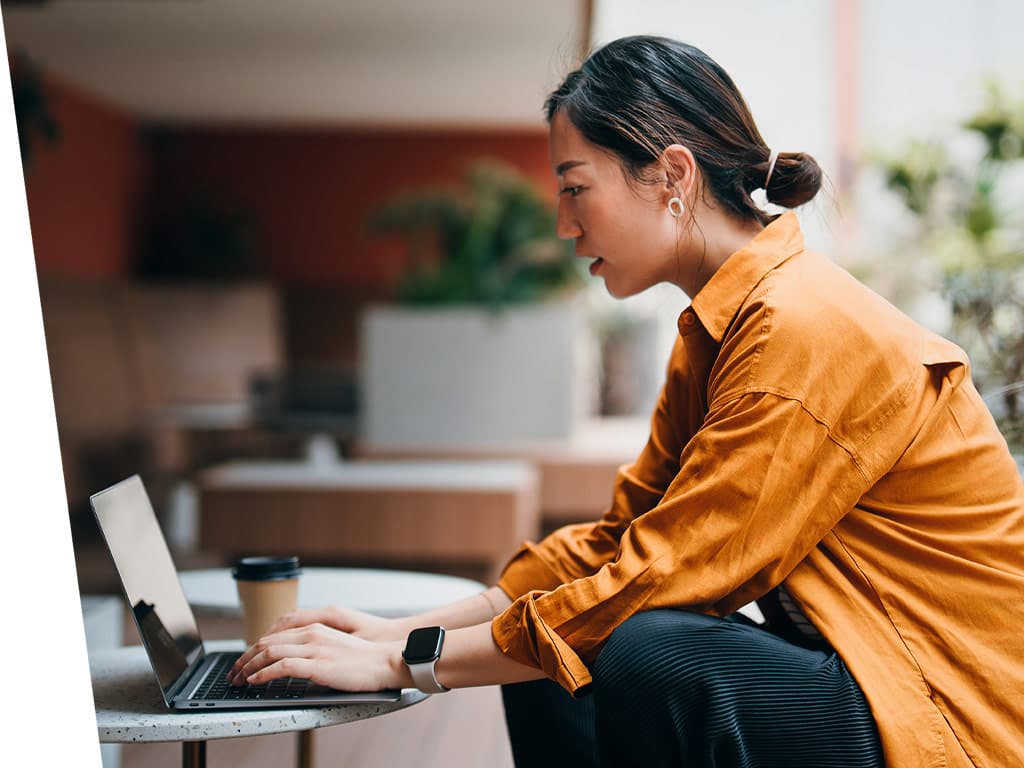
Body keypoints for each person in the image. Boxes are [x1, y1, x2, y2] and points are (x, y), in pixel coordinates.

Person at [228, 36, 1024, 767]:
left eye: (576, 187)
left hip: (943, 712)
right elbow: (619, 538)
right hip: (863, 672)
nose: (565, 225)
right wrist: (407, 629)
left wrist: (409, 664)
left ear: (672, 176)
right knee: (556, 633)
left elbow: (660, 579)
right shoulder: (722, 328)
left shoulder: (803, 328)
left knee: (640, 647)